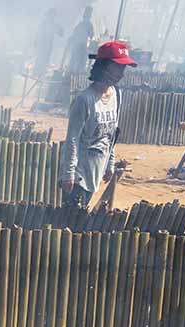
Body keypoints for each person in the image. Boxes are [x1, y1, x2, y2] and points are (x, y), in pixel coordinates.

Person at [59, 41, 136, 208]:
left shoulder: (116, 94)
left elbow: (111, 134)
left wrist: (110, 164)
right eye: (118, 67)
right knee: (72, 221)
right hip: (79, 174)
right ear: (105, 67)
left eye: (123, 68)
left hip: (97, 170)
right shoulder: (85, 100)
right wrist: (68, 174)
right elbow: (72, 139)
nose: (121, 73)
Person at [34, 9, 63, 77]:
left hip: (47, 45)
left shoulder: (52, 24)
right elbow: (39, 32)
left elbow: (61, 32)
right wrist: (36, 41)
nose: (53, 17)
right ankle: (38, 73)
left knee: (44, 59)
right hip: (43, 44)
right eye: (52, 15)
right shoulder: (46, 23)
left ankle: (40, 73)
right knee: (40, 58)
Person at [66, 7, 96, 72]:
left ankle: (70, 73)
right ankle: (74, 74)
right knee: (81, 61)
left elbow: (74, 31)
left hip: (76, 44)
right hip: (80, 45)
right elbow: (91, 35)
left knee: (73, 60)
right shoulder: (87, 24)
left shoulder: (80, 22)